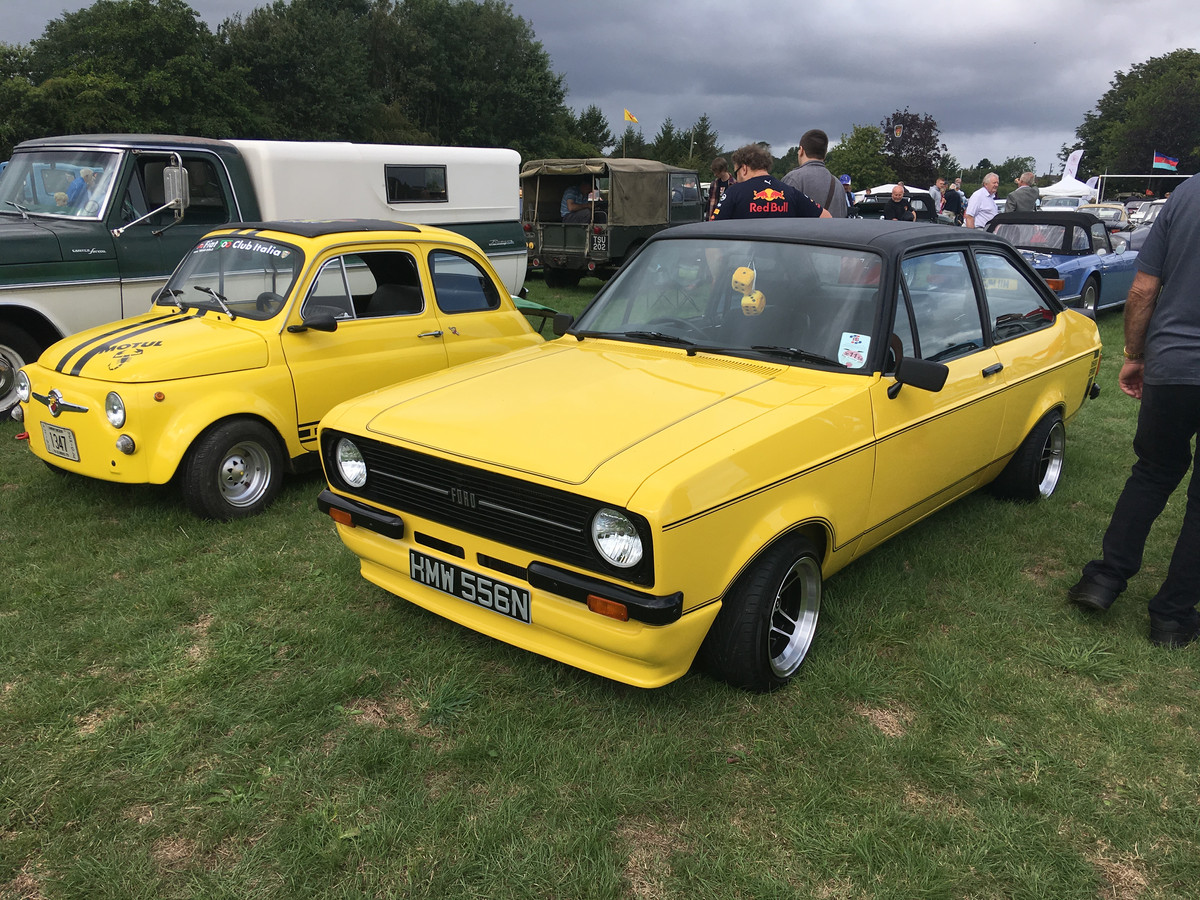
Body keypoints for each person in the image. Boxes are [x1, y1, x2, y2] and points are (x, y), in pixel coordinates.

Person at [1068, 175, 1200, 648]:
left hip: (1173, 362)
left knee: (1152, 471)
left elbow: (1142, 290)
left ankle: (1103, 580)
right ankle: (1171, 617)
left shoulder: (1186, 194)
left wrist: (1135, 353)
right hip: (1176, 360)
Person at [711, 144, 831, 221]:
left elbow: (712, 229)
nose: (737, 178)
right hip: (783, 259)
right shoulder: (790, 192)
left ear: (744, 169)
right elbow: (826, 217)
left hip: (746, 259)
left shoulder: (734, 192)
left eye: (736, 172)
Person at [781, 129, 847, 218]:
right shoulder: (838, 185)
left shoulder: (792, 180)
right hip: (833, 232)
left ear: (801, 150)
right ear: (825, 153)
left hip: (803, 232)